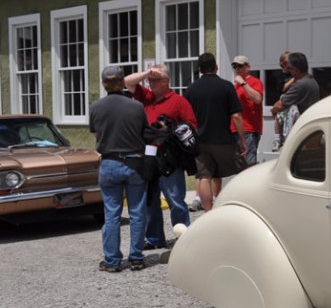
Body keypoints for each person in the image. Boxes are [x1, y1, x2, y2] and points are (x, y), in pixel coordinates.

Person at [124, 64, 198, 249]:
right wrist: (147, 73)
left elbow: (191, 127)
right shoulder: (146, 97)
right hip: (148, 156)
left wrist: (170, 129)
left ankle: (183, 236)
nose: (151, 83)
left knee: (175, 200)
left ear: (167, 80)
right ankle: (155, 239)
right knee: (151, 200)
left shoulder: (178, 101)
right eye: (150, 79)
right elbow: (127, 81)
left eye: (156, 79)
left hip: (169, 155)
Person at [88, 66, 149, 272]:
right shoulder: (137, 107)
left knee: (112, 213)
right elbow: (144, 133)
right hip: (134, 161)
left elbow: (96, 132)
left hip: (109, 162)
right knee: (137, 212)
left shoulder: (95, 107)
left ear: (104, 84)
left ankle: (112, 261)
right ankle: (137, 257)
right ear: (123, 82)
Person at [185, 53, 247, 212]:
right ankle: (240, 206)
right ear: (216, 66)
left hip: (201, 141)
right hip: (224, 140)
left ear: (199, 69)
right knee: (243, 172)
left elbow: (187, 117)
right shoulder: (226, 86)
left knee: (205, 177)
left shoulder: (191, 89)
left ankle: (208, 212)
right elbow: (237, 116)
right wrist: (242, 139)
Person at [270, 52, 319, 145]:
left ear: (296, 69)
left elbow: (279, 105)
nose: (289, 71)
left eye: (290, 68)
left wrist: (273, 111)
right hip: (309, 128)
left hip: (300, 131)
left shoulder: (299, 85)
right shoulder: (312, 81)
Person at [229, 55, 264, 165]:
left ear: (248, 67)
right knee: (239, 165)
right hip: (235, 129)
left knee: (249, 163)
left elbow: (258, 99)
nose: (237, 69)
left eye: (240, 66)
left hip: (249, 129)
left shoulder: (255, 82)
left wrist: (243, 83)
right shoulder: (235, 86)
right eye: (235, 66)